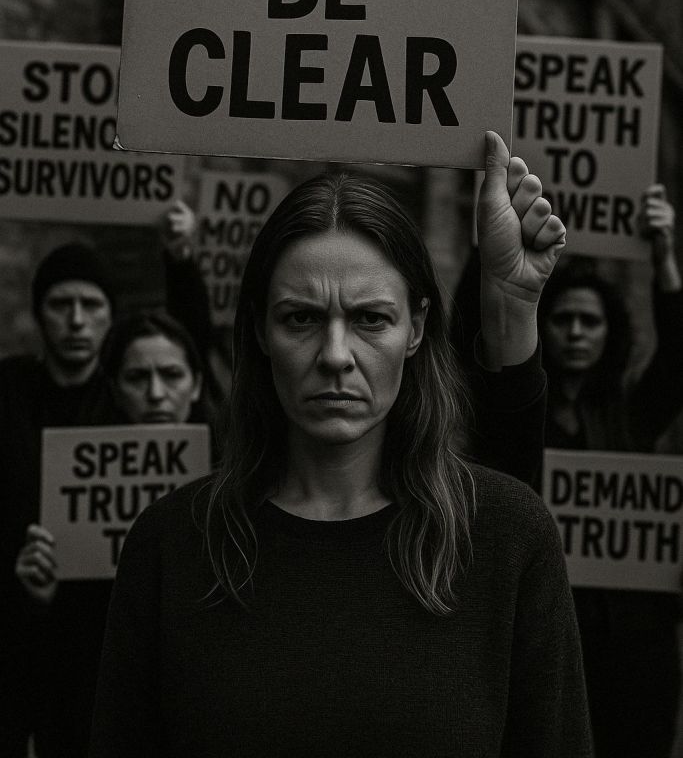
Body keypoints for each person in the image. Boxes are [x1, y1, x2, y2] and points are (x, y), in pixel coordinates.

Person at [89, 132, 593, 758]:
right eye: (301, 318)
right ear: (260, 330)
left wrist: (511, 306)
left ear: (416, 329)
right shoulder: (172, 546)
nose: (334, 355)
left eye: (370, 319)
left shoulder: (507, 537)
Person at [0, 201, 211, 757]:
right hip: (47, 645)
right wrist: (27, 587)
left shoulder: (132, 403)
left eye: (91, 305)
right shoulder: (10, 390)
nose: (76, 321)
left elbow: (189, 346)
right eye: (60, 304)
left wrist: (181, 259)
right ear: (38, 313)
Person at [538, 183, 683, 758]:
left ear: (609, 332)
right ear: (542, 327)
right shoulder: (519, 418)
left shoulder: (630, 415)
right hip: (551, 641)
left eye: (590, 322)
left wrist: (663, 257)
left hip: (634, 650)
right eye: (564, 319)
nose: (576, 332)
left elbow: (677, 361)